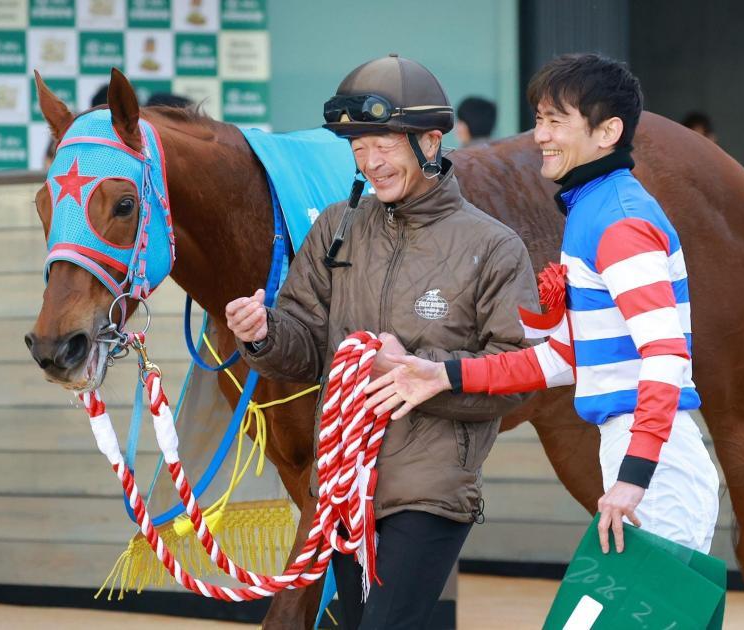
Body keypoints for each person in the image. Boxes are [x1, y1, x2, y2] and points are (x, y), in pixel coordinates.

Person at [224, 54, 538, 629]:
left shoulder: (494, 247)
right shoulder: (336, 229)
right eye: (359, 148)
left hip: (431, 488)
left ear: (431, 141)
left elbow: (517, 372)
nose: (370, 162)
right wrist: (265, 333)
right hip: (345, 484)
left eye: (385, 145)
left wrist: (418, 373)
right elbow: (307, 345)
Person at [366, 53, 720, 558]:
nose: (540, 136)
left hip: (651, 461)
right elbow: (560, 357)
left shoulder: (618, 219)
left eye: (557, 121)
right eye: (538, 119)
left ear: (608, 132)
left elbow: (665, 355)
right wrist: (440, 376)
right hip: (638, 451)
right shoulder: (592, 206)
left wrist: (634, 477)